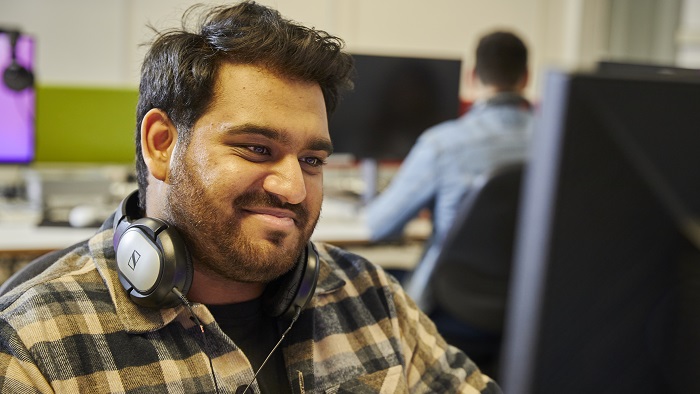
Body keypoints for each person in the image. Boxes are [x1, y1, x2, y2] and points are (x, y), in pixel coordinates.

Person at [0, 2, 501, 393]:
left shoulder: (368, 296)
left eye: (313, 160)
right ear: (162, 144)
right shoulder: (33, 349)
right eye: (257, 149)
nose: (294, 188)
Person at [365, 30, 533, 374]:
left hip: (454, 308)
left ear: (473, 77)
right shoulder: (561, 141)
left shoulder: (444, 143)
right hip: (532, 306)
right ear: (526, 77)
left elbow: (380, 225)